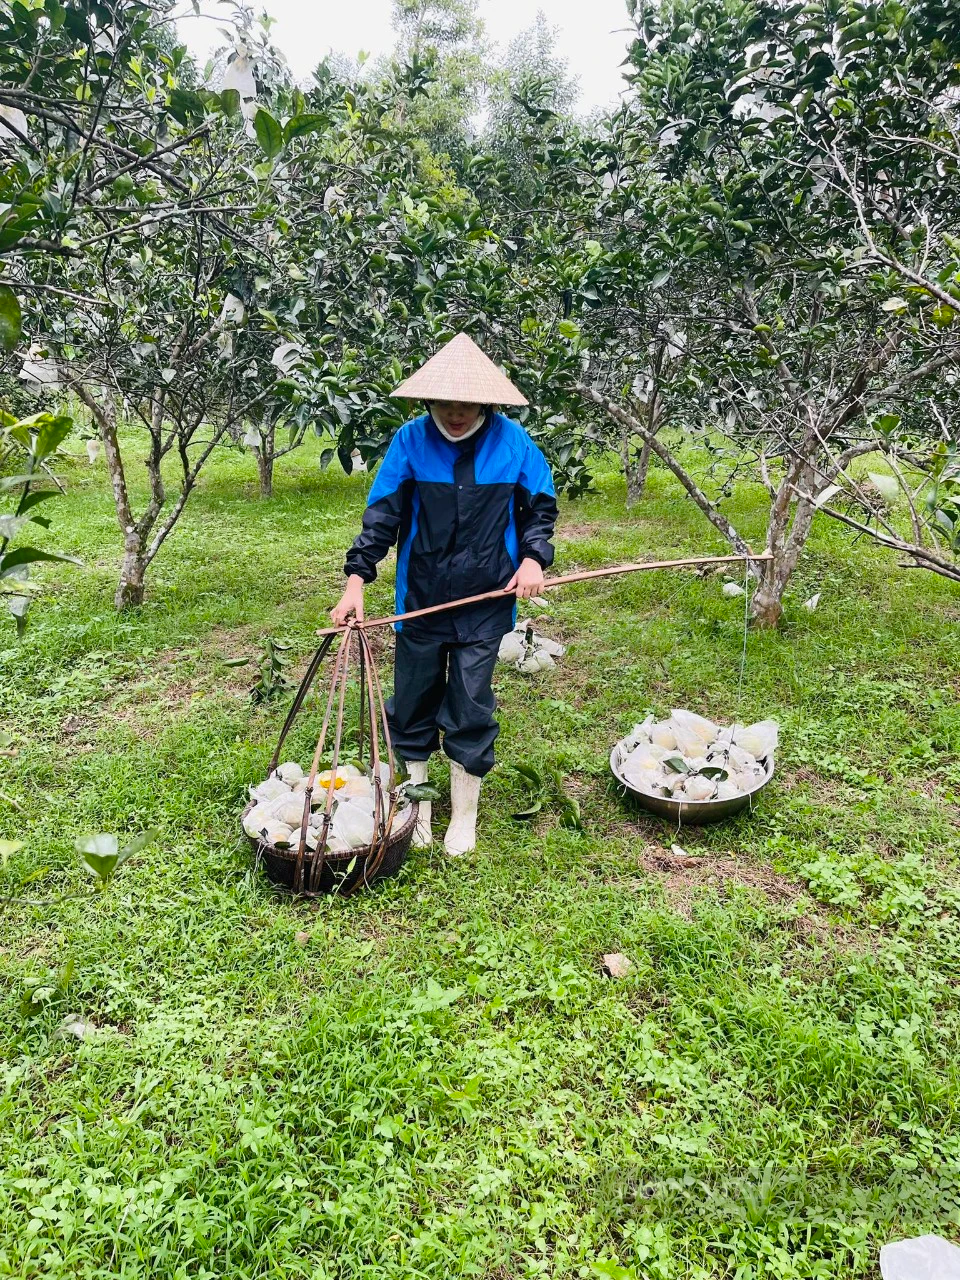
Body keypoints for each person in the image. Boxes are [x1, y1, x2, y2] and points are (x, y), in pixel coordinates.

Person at [331, 333, 558, 856]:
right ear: (428, 400)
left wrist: (531, 559)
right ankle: (420, 807)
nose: (456, 413)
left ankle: (465, 816)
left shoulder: (514, 444)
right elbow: (382, 518)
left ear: (486, 401)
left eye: (467, 403)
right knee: (413, 701)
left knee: (471, 703)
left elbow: (540, 510)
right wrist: (355, 583)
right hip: (422, 599)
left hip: (487, 600)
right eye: (446, 402)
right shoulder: (409, 442)